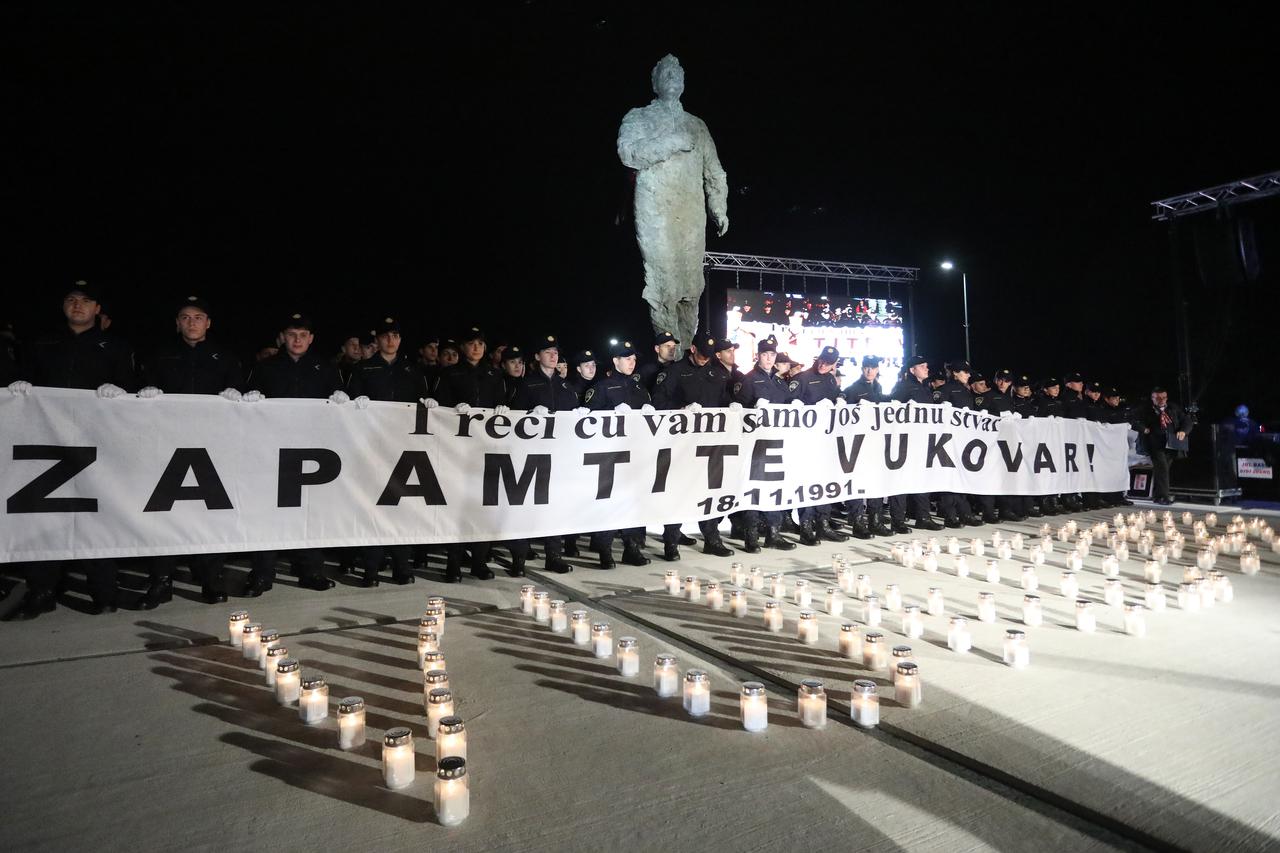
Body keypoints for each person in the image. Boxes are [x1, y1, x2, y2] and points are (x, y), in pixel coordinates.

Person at [5, 281, 134, 620]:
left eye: (86, 300)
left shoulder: (115, 346)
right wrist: (19, 390)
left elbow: (132, 390)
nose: (78, 305)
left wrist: (119, 391)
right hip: (47, 444)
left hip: (96, 445)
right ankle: (42, 591)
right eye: (71, 300)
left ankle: (104, 591)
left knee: (98, 519)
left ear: (97, 309)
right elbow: (24, 379)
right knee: (42, 519)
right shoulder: (42, 343)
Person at [139, 294, 244, 604]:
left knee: (209, 515)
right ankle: (161, 581)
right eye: (185, 317)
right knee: (163, 514)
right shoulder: (160, 355)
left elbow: (238, 392)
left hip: (212, 448)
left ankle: (211, 580)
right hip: (167, 445)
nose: (192, 322)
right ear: (177, 323)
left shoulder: (225, 358)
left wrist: (236, 395)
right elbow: (141, 387)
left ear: (208, 323)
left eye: (198, 317)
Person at [243, 312, 343, 594]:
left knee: (311, 513)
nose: (297, 340)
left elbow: (339, 406)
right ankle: (262, 573)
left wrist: (341, 399)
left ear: (310, 339)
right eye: (291, 334)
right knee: (268, 513)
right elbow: (246, 401)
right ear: (282, 337)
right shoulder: (265, 367)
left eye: (302, 335)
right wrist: (249, 399)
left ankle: (310, 570)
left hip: (312, 452)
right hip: (272, 450)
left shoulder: (325, 368)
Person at [347, 316, 428, 586]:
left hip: (405, 447)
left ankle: (401, 567)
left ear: (400, 340)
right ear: (378, 339)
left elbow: (421, 403)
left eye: (395, 335)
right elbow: (351, 404)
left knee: (402, 508)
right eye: (385, 336)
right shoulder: (364, 368)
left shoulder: (412, 370)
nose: (390, 341)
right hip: (373, 448)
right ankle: (371, 569)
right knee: (374, 508)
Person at [434, 326, 507, 582]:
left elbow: (503, 403)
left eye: (480, 343)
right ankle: (453, 564)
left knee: (484, 507)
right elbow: (439, 406)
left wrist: (503, 408)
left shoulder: (494, 373)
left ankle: (479, 562)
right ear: (463, 348)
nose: (476, 347)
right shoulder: (450, 373)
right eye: (471, 343)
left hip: (486, 448)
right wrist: (451, 409)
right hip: (458, 449)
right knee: (457, 509)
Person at [507, 335, 578, 574]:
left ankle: (553, 556)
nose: (553, 355)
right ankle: (519, 558)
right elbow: (512, 419)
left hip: (558, 456)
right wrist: (528, 412)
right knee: (525, 507)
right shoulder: (526, 384)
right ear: (537, 357)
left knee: (555, 508)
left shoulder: (566, 386)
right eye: (547, 352)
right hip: (530, 456)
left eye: (555, 352)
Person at [585, 339, 653, 568]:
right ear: (615, 361)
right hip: (609, 456)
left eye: (634, 359)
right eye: (626, 358)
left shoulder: (638, 387)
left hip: (634, 455)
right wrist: (610, 412)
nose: (632, 362)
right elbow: (587, 418)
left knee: (634, 501)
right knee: (609, 503)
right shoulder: (603, 386)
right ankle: (605, 550)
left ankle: (631, 548)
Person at [732, 335, 797, 550]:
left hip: (777, 444)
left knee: (775, 489)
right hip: (754, 445)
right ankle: (751, 536)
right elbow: (736, 409)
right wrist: (751, 408)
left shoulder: (779, 381)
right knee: (752, 489)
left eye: (772, 354)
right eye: (765, 354)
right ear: (758, 356)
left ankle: (773, 533)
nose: (769, 358)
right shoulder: (749, 379)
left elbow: (788, 404)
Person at [676, 336, 737, 557]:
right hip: (683, 444)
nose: (704, 359)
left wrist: (732, 403)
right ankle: (671, 540)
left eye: (708, 355)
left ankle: (712, 538)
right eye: (701, 354)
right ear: (693, 349)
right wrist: (681, 408)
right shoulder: (677, 371)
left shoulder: (717, 373)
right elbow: (659, 402)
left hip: (711, 444)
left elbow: (723, 398)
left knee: (711, 490)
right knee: (680, 490)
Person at [787, 346, 850, 545]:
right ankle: (806, 527)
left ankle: (823, 524)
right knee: (807, 483)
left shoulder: (831, 379)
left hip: (826, 440)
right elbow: (790, 404)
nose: (823, 365)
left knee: (824, 482)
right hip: (806, 440)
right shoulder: (802, 378)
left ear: (834, 364)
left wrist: (840, 398)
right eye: (821, 360)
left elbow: (837, 394)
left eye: (828, 363)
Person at [888, 356, 943, 531]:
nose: (926, 369)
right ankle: (898, 520)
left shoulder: (924, 387)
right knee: (901, 479)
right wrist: (903, 407)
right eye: (922, 366)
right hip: (905, 442)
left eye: (926, 365)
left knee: (922, 479)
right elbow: (891, 408)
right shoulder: (903, 386)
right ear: (912, 370)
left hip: (922, 440)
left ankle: (923, 517)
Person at [841, 355, 891, 538]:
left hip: (875, 442)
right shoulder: (852, 389)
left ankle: (875, 520)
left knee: (875, 481)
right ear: (862, 369)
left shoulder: (878, 387)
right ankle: (857, 522)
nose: (870, 371)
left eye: (873, 368)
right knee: (857, 482)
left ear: (877, 369)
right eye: (866, 368)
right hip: (857, 444)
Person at [936, 361, 981, 528]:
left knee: (962, 477)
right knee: (949, 479)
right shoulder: (945, 390)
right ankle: (950, 515)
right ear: (955, 373)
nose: (968, 375)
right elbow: (937, 413)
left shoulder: (965, 389)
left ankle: (965, 513)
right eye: (965, 372)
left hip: (964, 440)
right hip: (949, 441)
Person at [1140, 386, 1193, 505]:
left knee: (1162, 470)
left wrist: (1184, 431)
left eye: (1164, 397)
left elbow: (1187, 421)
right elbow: (1136, 421)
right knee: (1162, 468)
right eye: (1158, 398)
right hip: (1155, 444)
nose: (1162, 400)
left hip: (1171, 444)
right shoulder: (1147, 409)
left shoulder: (1173, 408)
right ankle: (1163, 496)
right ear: (1152, 398)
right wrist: (1144, 429)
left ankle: (1157, 495)